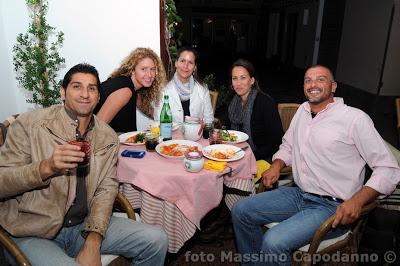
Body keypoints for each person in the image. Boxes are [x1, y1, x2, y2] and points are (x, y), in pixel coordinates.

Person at [231, 64, 400, 266]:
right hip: (299, 194)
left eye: (321, 79)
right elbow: (288, 146)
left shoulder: (354, 119)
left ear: (334, 86)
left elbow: (388, 168)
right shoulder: (303, 111)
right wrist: (276, 164)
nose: (313, 84)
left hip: (333, 206)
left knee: (273, 241)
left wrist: (358, 200)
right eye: (308, 80)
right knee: (240, 210)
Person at [0, 63, 168, 265]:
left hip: (83, 225)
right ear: (63, 92)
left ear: (98, 96)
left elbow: (106, 190)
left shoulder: (107, 137)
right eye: (77, 86)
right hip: (32, 230)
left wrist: (93, 240)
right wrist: (46, 167)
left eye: (92, 88)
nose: (85, 94)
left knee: (157, 240)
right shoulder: (29, 125)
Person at [95, 47, 166, 132]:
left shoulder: (133, 87)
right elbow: (97, 128)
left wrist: (168, 118)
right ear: (132, 70)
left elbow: (148, 110)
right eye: (143, 69)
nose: (149, 74)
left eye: (152, 69)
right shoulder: (125, 91)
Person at [227, 59, 283, 161]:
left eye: (243, 78)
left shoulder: (266, 103)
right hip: (237, 153)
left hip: (263, 158)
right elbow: (228, 130)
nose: (238, 83)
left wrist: (250, 156)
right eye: (234, 78)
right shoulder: (234, 102)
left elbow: (277, 141)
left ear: (252, 80)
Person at [154, 46, 214, 124]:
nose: (186, 66)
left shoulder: (203, 89)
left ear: (195, 67)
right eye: (182, 61)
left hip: (196, 135)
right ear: (176, 63)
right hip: (170, 135)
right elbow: (158, 120)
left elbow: (209, 120)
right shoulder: (163, 89)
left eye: (190, 62)